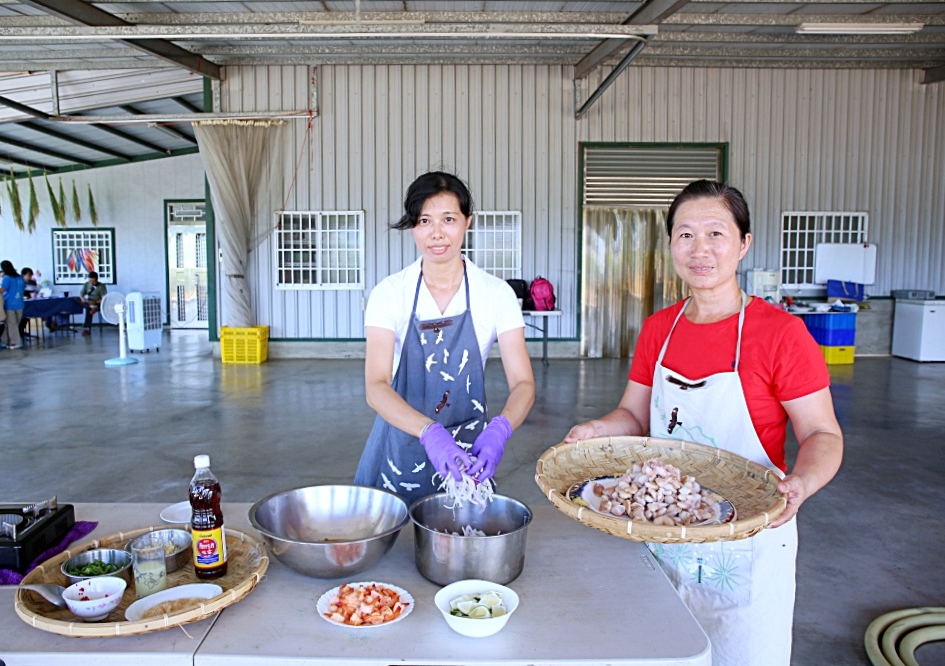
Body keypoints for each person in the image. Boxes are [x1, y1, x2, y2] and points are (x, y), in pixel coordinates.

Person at [565, 180, 843, 666]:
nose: (700, 249)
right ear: (670, 244)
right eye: (685, 235)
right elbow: (633, 415)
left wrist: (803, 482)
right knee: (663, 651)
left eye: (715, 233)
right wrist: (595, 431)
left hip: (748, 540)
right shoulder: (659, 328)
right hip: (665, 532)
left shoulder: (781, 334)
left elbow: (822, 434)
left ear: (743, 244)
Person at [354, 171, 536, 505]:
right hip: (400, 442)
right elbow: (375, 386)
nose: (437, 233)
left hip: (467, 454)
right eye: (424, 220)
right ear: (413, 227)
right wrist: (429, 432)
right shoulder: (390, 293)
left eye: (448, 219)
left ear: (468, 221)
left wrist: (500, 430)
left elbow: (523, 383)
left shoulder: (496, 295)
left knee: (457, 543)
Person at [0, 260, 26, 349]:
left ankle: (15, 342)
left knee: (11, 324)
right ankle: (4, 340)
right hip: (20, 303)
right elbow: (23, 288)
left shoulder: (7, 278)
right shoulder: (20, 277)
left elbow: (2, 290)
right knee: (14, 324)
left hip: (9, 303)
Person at [78, 271, 106, 336]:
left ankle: (87, 329)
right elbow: (81, 294)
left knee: (88, 309)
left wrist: (95, 302)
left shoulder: (101, 286)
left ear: (96, 280)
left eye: (93, 281)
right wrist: (84, 299)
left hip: (96, 302)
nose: (91, 283)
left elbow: (104, 298)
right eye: (90, 281)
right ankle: (92, 307)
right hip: (88, 302)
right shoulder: (86, 284)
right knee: (75, 299)